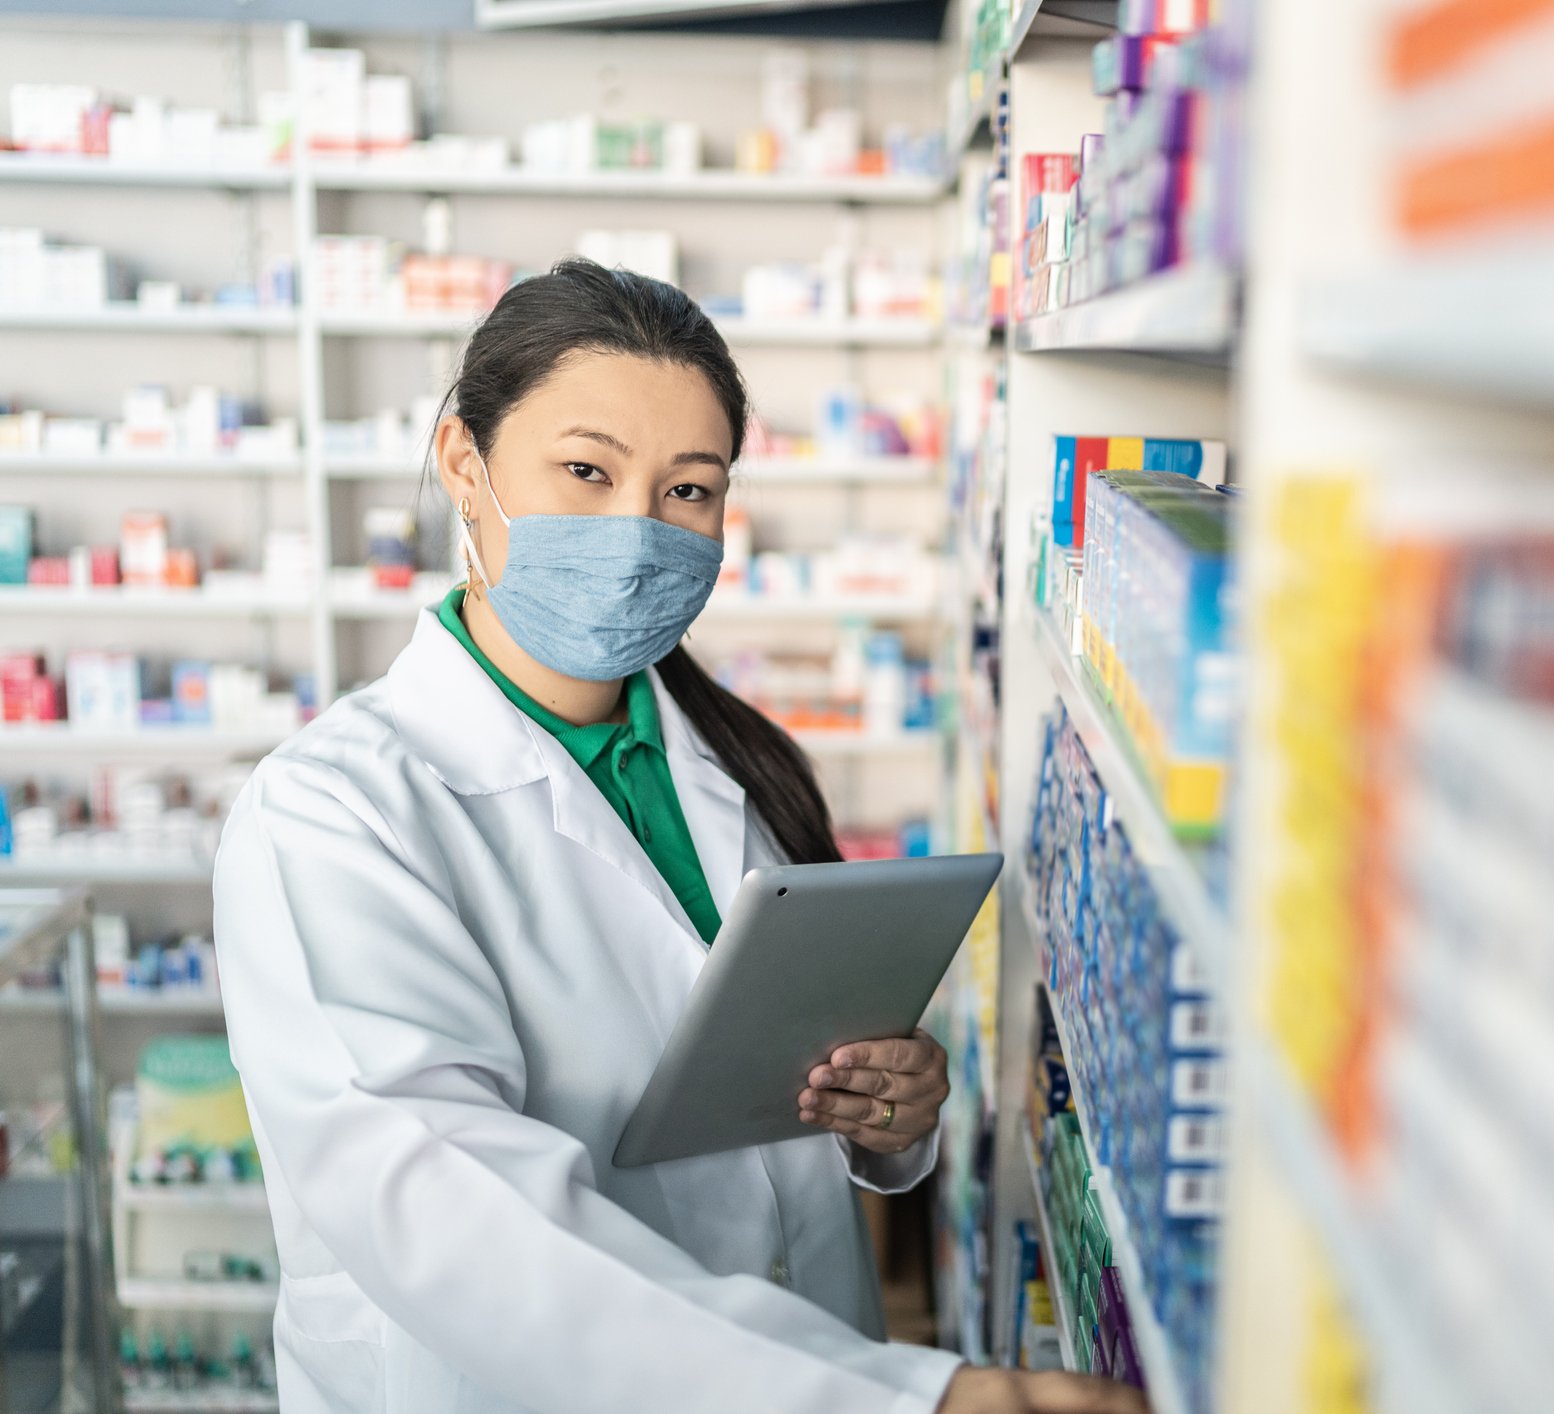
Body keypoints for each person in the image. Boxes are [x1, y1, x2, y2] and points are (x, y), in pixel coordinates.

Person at [213, 259, 1147, 1414]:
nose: (636, 530)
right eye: (585, 471)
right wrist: (907, 1398)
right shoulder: (331, 815)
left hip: (812, 1340)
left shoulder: (737, 765)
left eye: (686, 490)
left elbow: (776, 1105)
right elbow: (452, 1216)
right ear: (465, 462)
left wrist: (886, 1116)